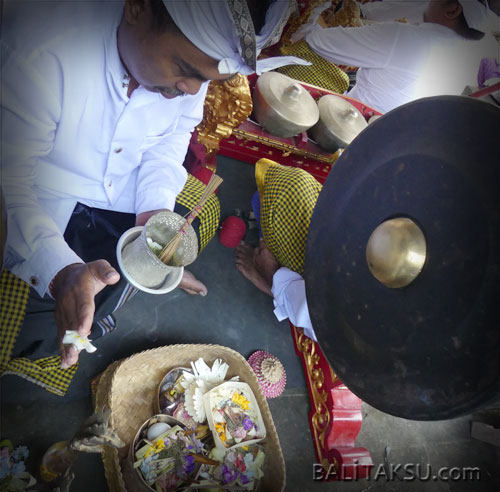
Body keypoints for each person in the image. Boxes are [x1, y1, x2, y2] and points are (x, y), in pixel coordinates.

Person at [1, 0, 307, 369]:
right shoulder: (41, 50)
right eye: (184, 70)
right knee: (46, 312)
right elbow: (10, 183)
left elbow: (171, 139)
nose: (193, 90)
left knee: (127, 270)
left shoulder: (185, 79)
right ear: (137, 8)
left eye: (206, 80)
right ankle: (34, 348)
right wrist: (59, 271)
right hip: (38, 207)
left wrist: (154, 217)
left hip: (123, 198)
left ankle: (93, 317)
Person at [290, 0, 498, 112]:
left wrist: (317, 7)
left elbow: (314, 41)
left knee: (300, 53)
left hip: (351, 125)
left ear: (453, 10)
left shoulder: (406, 38)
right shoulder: (476, 55)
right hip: (394, 140)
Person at [236, 159, 319, 341]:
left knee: (292, 188)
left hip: (324, 308)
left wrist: (272, 274)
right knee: (296, 185)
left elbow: (322, 316)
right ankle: (279, 283)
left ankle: (272, 280)